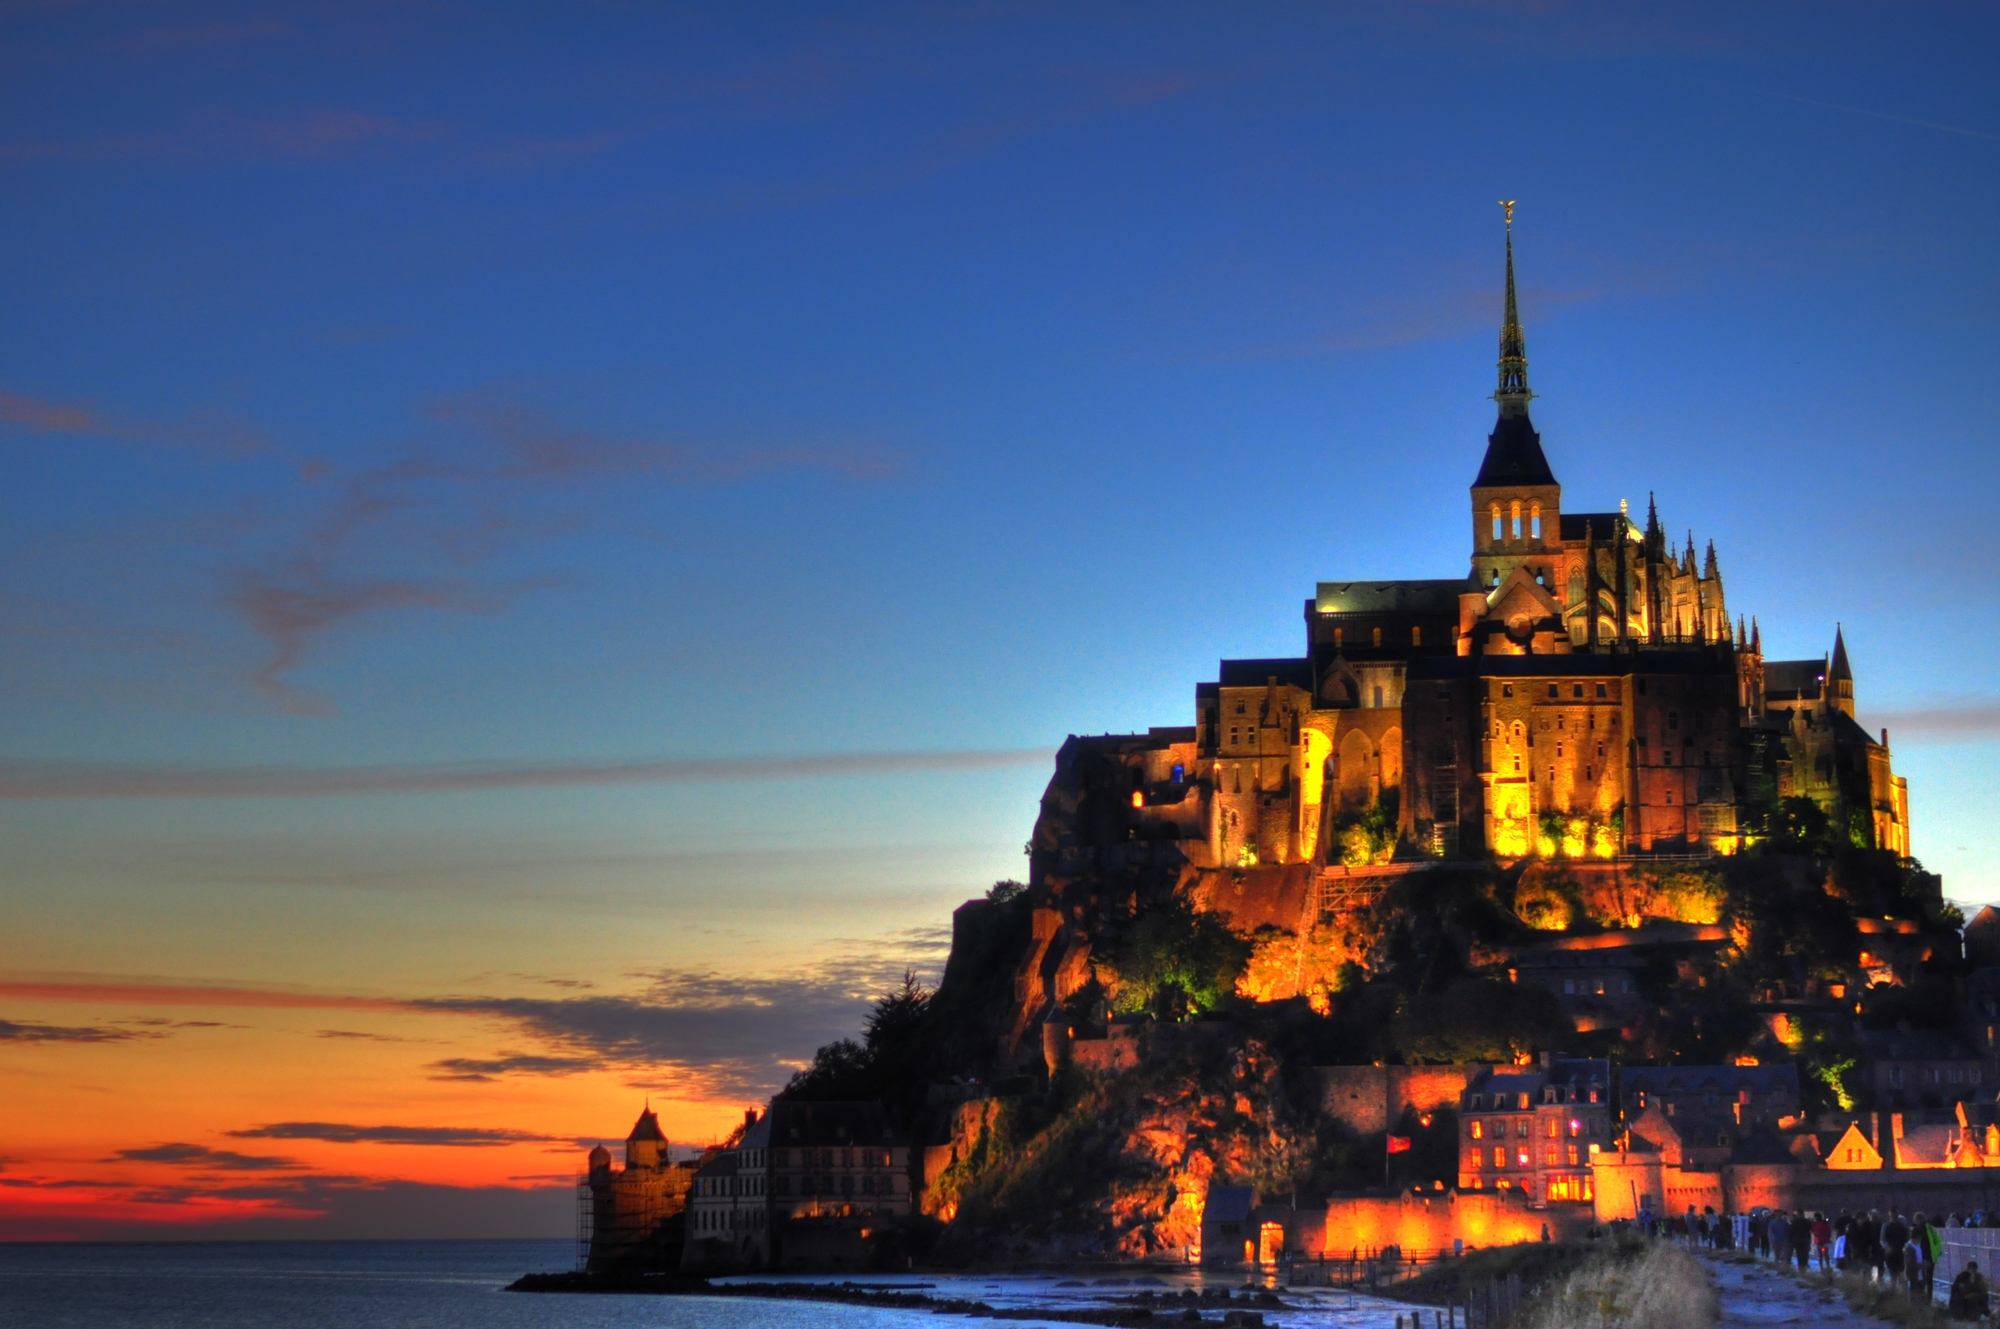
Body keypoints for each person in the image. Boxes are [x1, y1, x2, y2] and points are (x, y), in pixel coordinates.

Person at [1885, 1213, 1910, 1286]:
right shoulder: (1905, 1230)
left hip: (1893, 1253)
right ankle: (1900, 1290)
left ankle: (1895, 1289)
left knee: (1894, 1274)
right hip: (1899, 1254)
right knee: (1900, 1273)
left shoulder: (1889, 1227)